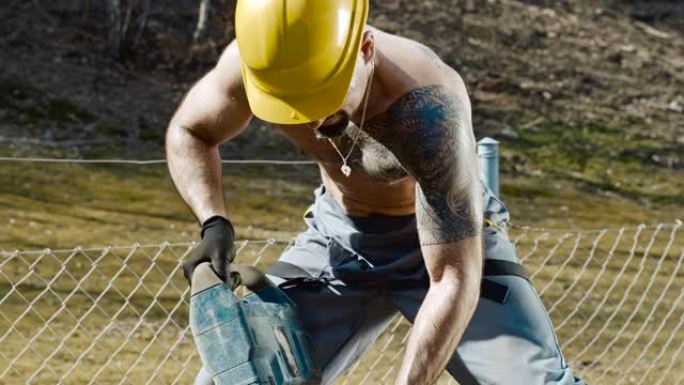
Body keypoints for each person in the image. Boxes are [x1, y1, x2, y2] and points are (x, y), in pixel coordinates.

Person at [166, 1, 585, 384]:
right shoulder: (257, 66)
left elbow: (454, 277)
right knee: (238, 379)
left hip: (448, 239)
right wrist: (213, 222)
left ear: (365, 49)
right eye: (293, 102)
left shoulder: (426, 105)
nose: (311, 118)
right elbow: (191, 131)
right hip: (338, 239)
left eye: (322, 97)